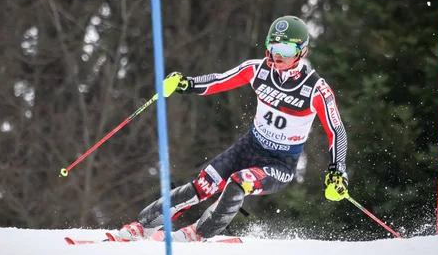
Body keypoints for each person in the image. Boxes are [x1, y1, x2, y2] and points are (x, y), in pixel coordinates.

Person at [109, 15, 349, 242]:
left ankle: (199, 233)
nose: (277, 56)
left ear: (302, 51)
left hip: (280, 162)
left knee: (238, 183)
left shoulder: (316, 89)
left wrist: (337, 171)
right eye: (273, 47)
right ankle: (143, 226)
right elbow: (220, 80)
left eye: (286, 50)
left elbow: (336, 130)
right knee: (202, 185)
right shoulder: (258, 70)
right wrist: (185, 84)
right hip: (249, 146)